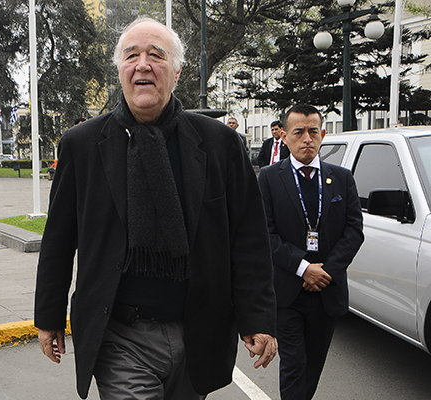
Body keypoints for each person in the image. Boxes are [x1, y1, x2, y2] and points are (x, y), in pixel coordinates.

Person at [35, 17, 277, 399]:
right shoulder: (82, 145)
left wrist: (258, 317)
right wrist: (49, 316)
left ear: (177, 72)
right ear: (120, 70)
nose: (143, 65)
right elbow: (58, 240)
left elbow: (249, 238)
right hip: (120, 336)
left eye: (156, 55)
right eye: (131, 56)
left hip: (199, 333)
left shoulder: (221, 144)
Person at [257, 104, 364, 400]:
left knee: (313, 367)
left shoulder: (342, 178)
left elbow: (354, 231)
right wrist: (304, 268)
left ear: (323, 135)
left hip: (327, 291)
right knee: (294, 365)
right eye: (299, 132)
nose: (307, 139)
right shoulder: (269, 178)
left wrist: (326, 271)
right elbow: (265, 234)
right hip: (288, 292)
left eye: (313, 132)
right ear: (285, 137)